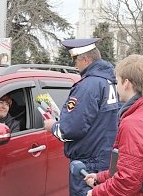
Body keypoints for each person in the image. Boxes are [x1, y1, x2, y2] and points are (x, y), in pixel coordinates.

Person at [85, 54, 143, 196]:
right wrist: (100, 177)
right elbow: (134, 165)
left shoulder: (133, 123)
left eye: (117, 81)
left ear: (126, 83)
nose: (116, 86)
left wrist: (95, 193)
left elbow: (127, 181)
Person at [43, 38, 120, 196]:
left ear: (85, 59)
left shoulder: (88, 86)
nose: (75, 66)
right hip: (105, 158)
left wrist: (53, 126)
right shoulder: (108, 82)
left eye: (75, 61)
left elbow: (70, 129)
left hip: (89, 165)